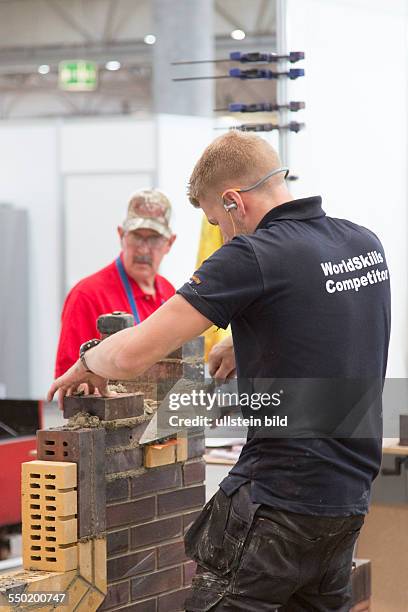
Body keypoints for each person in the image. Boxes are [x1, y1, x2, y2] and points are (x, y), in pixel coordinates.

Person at [48, 131, 390, 611]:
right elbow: (327, 326)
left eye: (216, 222)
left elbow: (131, 355)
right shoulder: (361, 243)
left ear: (233, 202)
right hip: (346, 503)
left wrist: (87, 362)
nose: (224, 236)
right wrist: (242, 336)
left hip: (280, 507)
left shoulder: (252, 254)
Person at [54, 189, 176, 377]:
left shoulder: (169, 293)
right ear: (121, 235)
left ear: (169, 243)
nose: (143, 249)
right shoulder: (87, 295)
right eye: (136, 236)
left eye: (154, 239)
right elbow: (69, 381)